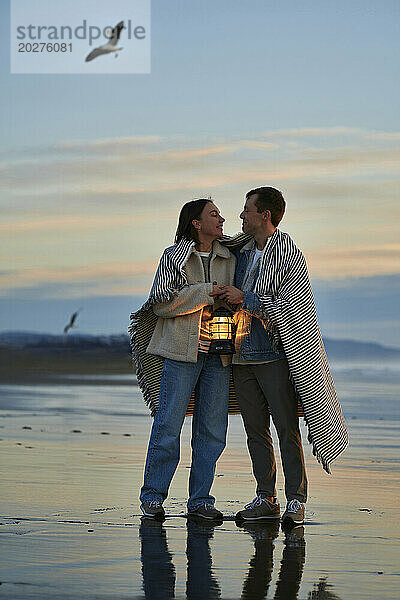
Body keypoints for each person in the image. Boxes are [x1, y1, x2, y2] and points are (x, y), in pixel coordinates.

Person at [212, 187, 348, 526]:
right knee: (255, 431)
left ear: (265, 215)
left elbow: (291, 308)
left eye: (247, 209)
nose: (241, 216)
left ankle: (296, 500)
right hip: (241, 355)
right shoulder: (239, 252)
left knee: (288, 430)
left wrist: (245, 298)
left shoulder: (289, 255)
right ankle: (265, 497)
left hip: (274, 355)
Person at [129, 199, 236, 521]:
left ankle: (201, 501)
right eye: (214, 214)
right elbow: (161, 304)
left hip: (220, 356)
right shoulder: (173, 257)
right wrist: (206, 292)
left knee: (213, 431)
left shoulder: (231, 257)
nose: (222, 219)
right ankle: (152, 497)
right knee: (168, 427)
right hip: (180, 353)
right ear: (196, 223)